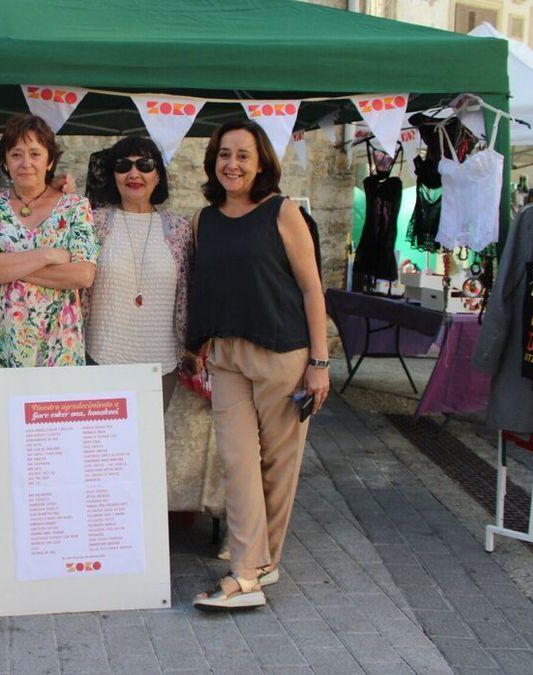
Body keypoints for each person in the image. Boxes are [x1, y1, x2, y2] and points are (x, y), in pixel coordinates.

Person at [186, 120, 329, 611]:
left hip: (281, 353)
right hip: (226, 356)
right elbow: (207, 285)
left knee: (277, 464)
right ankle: (247, 570)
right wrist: (197, 341)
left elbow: (312, 289)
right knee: (237, 460)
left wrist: (320, 361)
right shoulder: (204, 220)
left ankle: (261, 564)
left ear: (262, 161)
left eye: (244, 155)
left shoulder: (282, 212)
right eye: (225, 154)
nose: (233, 164)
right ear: (213, 162)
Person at [0, 114, 98, 370]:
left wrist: (5, 268)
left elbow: (82, 275)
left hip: (58, 342)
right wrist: (46, 255)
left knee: (53, 409)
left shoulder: (75, 207)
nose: (26, 163)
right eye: (16, 154)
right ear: (5, 161)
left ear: (49, 161)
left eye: (35, 154)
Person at [85, 136, 191, 411]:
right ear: (113, 175)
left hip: (160, 365)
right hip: (101, 359)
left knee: (150, 449)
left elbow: (188, 294)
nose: (134, 173)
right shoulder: (92, 222)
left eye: (144, 165)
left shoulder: (179, 229)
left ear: (158, 176)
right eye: (123, 165)